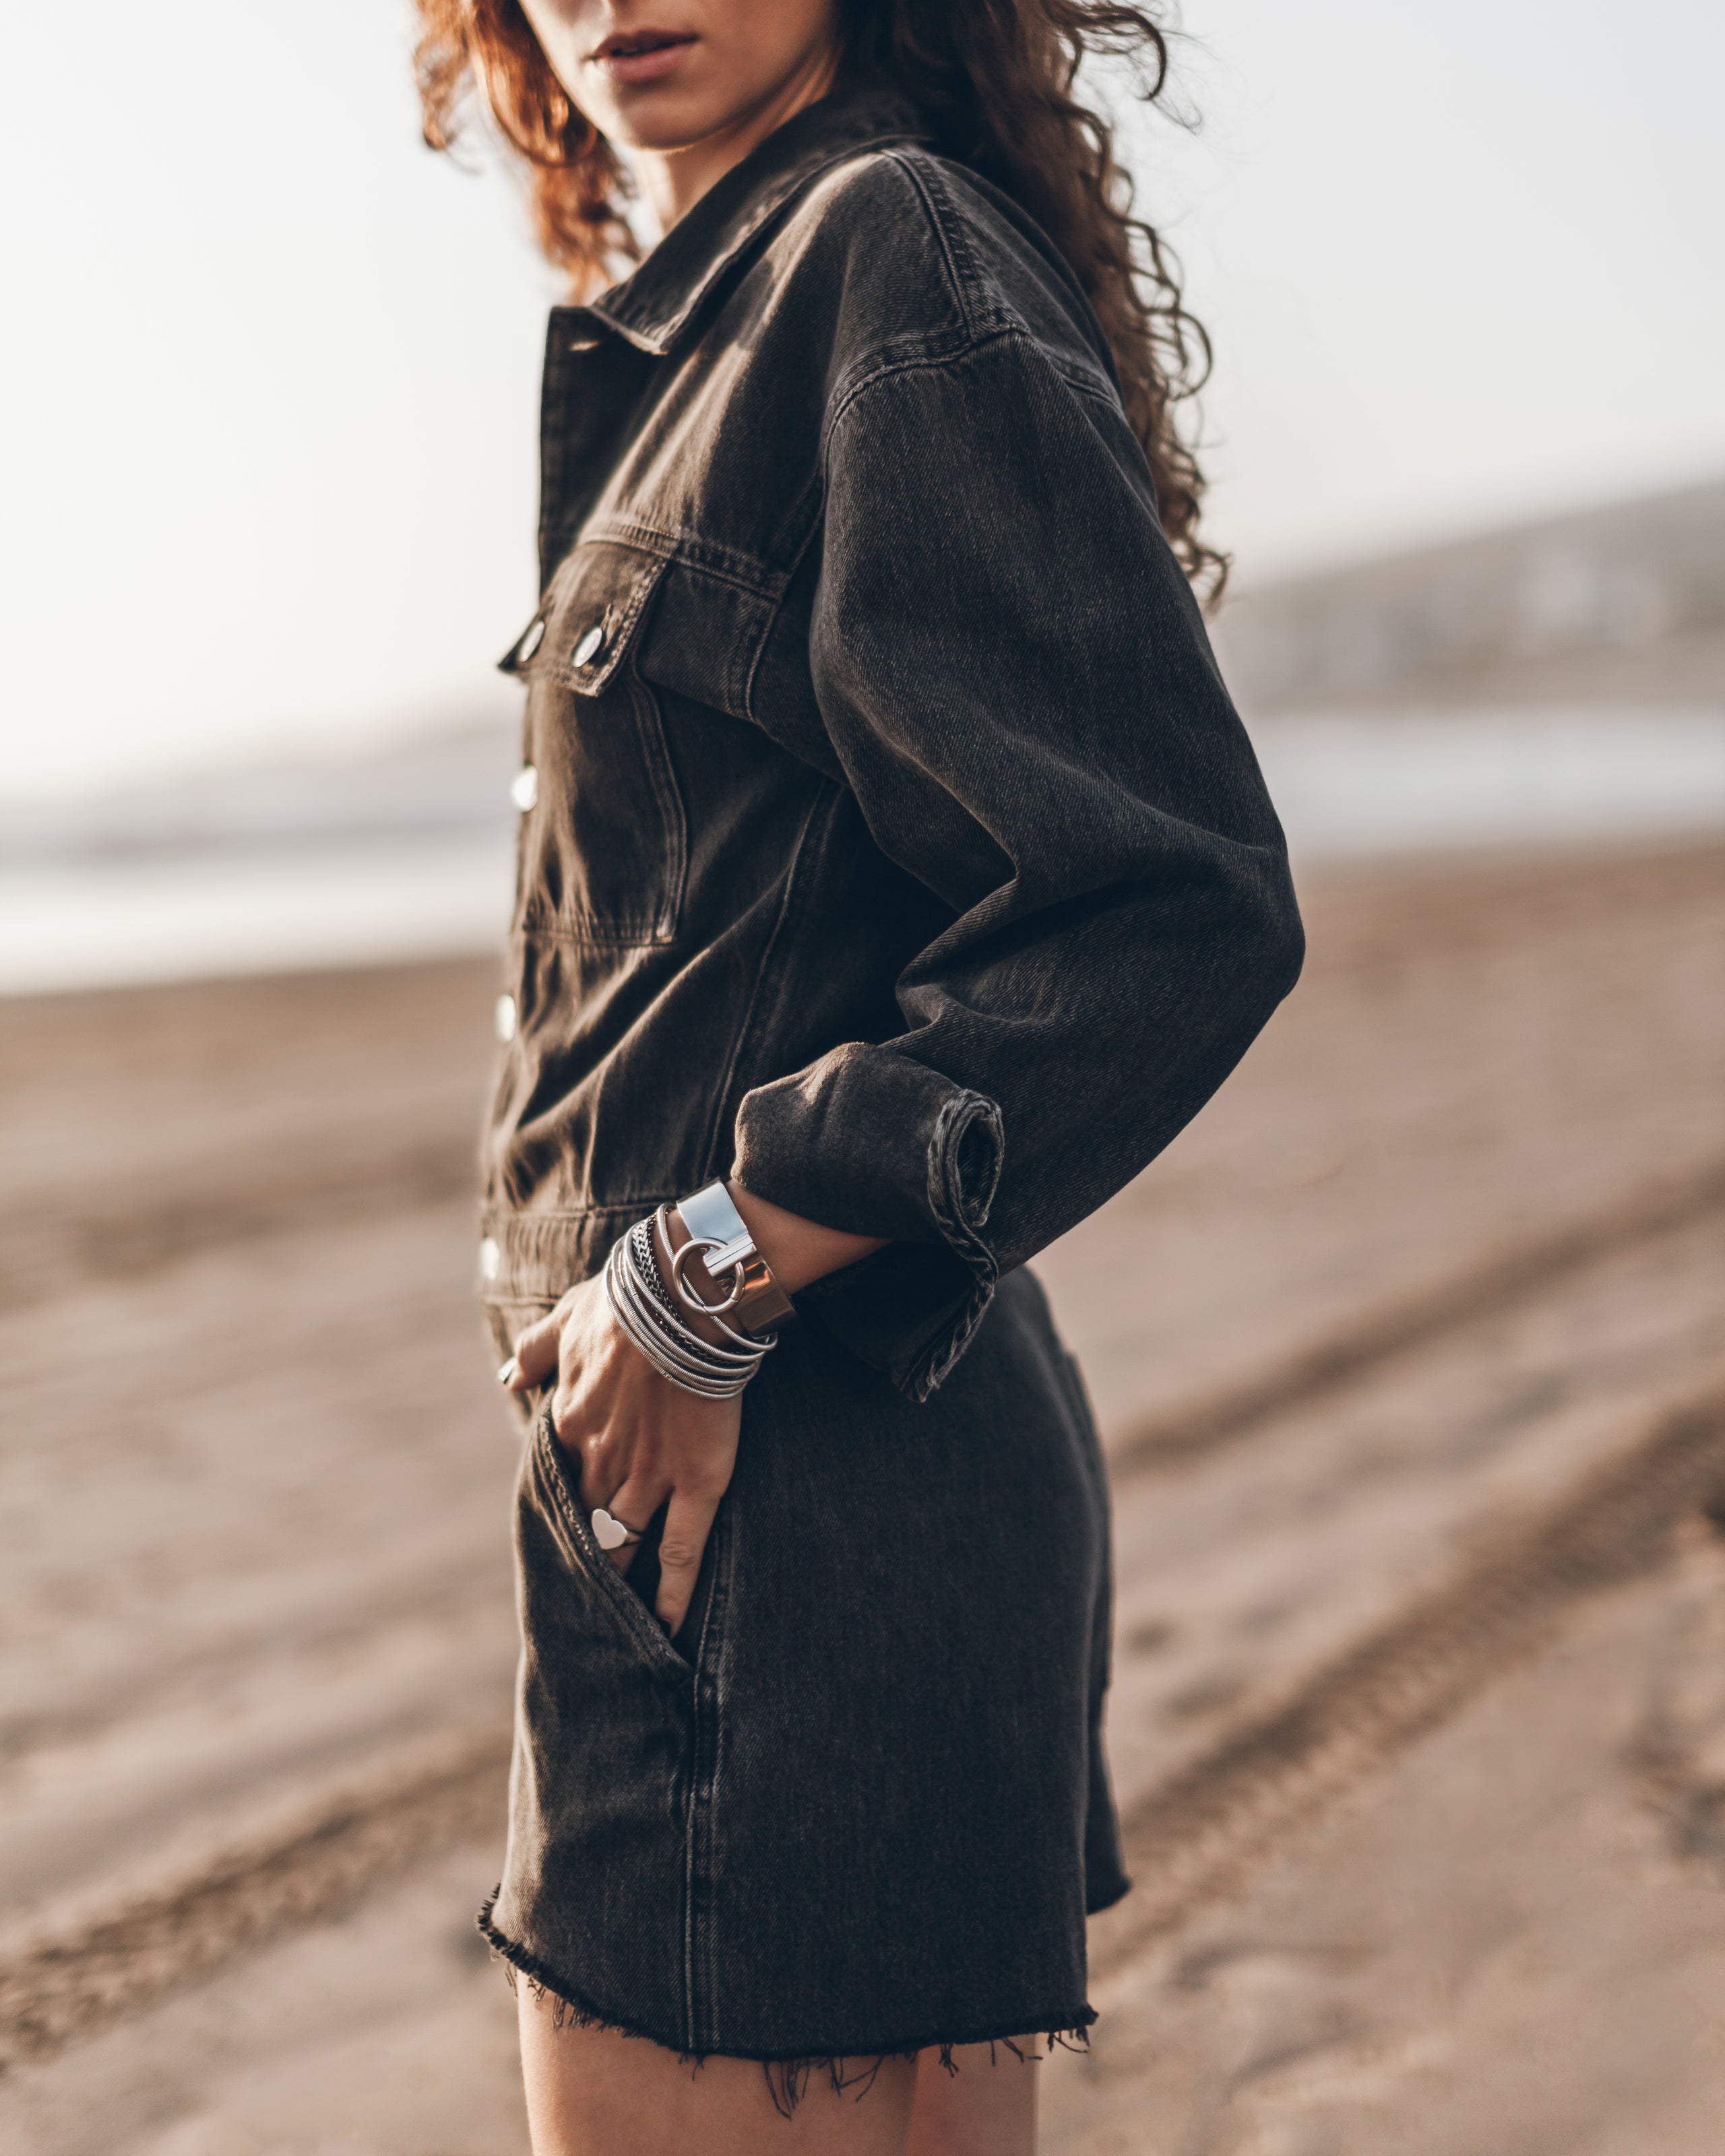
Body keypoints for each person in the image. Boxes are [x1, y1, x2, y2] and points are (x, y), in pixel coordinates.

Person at [411, 3, 1303, 2149]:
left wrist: (705, 1263)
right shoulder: (709, 325)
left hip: (779, 1507)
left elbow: (1165, 901)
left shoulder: (878, 255)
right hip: (775, 1500)